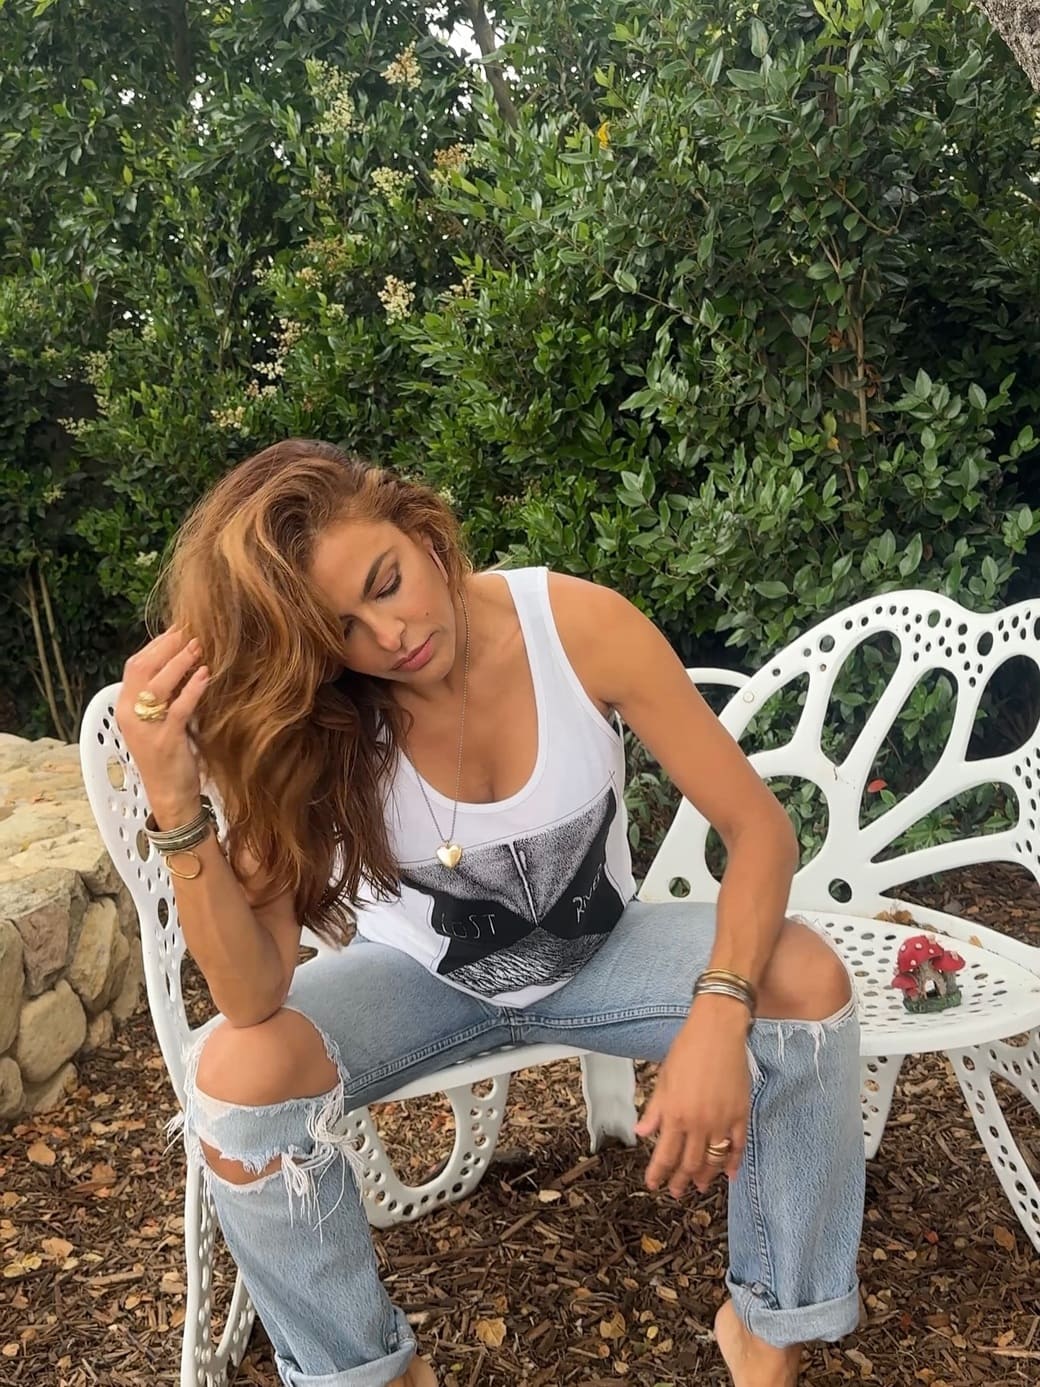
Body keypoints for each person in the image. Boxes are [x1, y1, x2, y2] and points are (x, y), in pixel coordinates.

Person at [118, 439, 864, 1387]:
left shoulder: (577, 628)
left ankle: (768, 1328)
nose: (389, 634)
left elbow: (759, 830)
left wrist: (720, 1011)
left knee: (803, 979)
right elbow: (252, 993)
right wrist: (176, 800)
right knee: (236, 1073)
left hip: (603, 953)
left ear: (423, 530)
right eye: (343, 628)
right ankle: (372, 1374)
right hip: (417, 980)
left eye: (387, 582)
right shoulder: (318, 719)